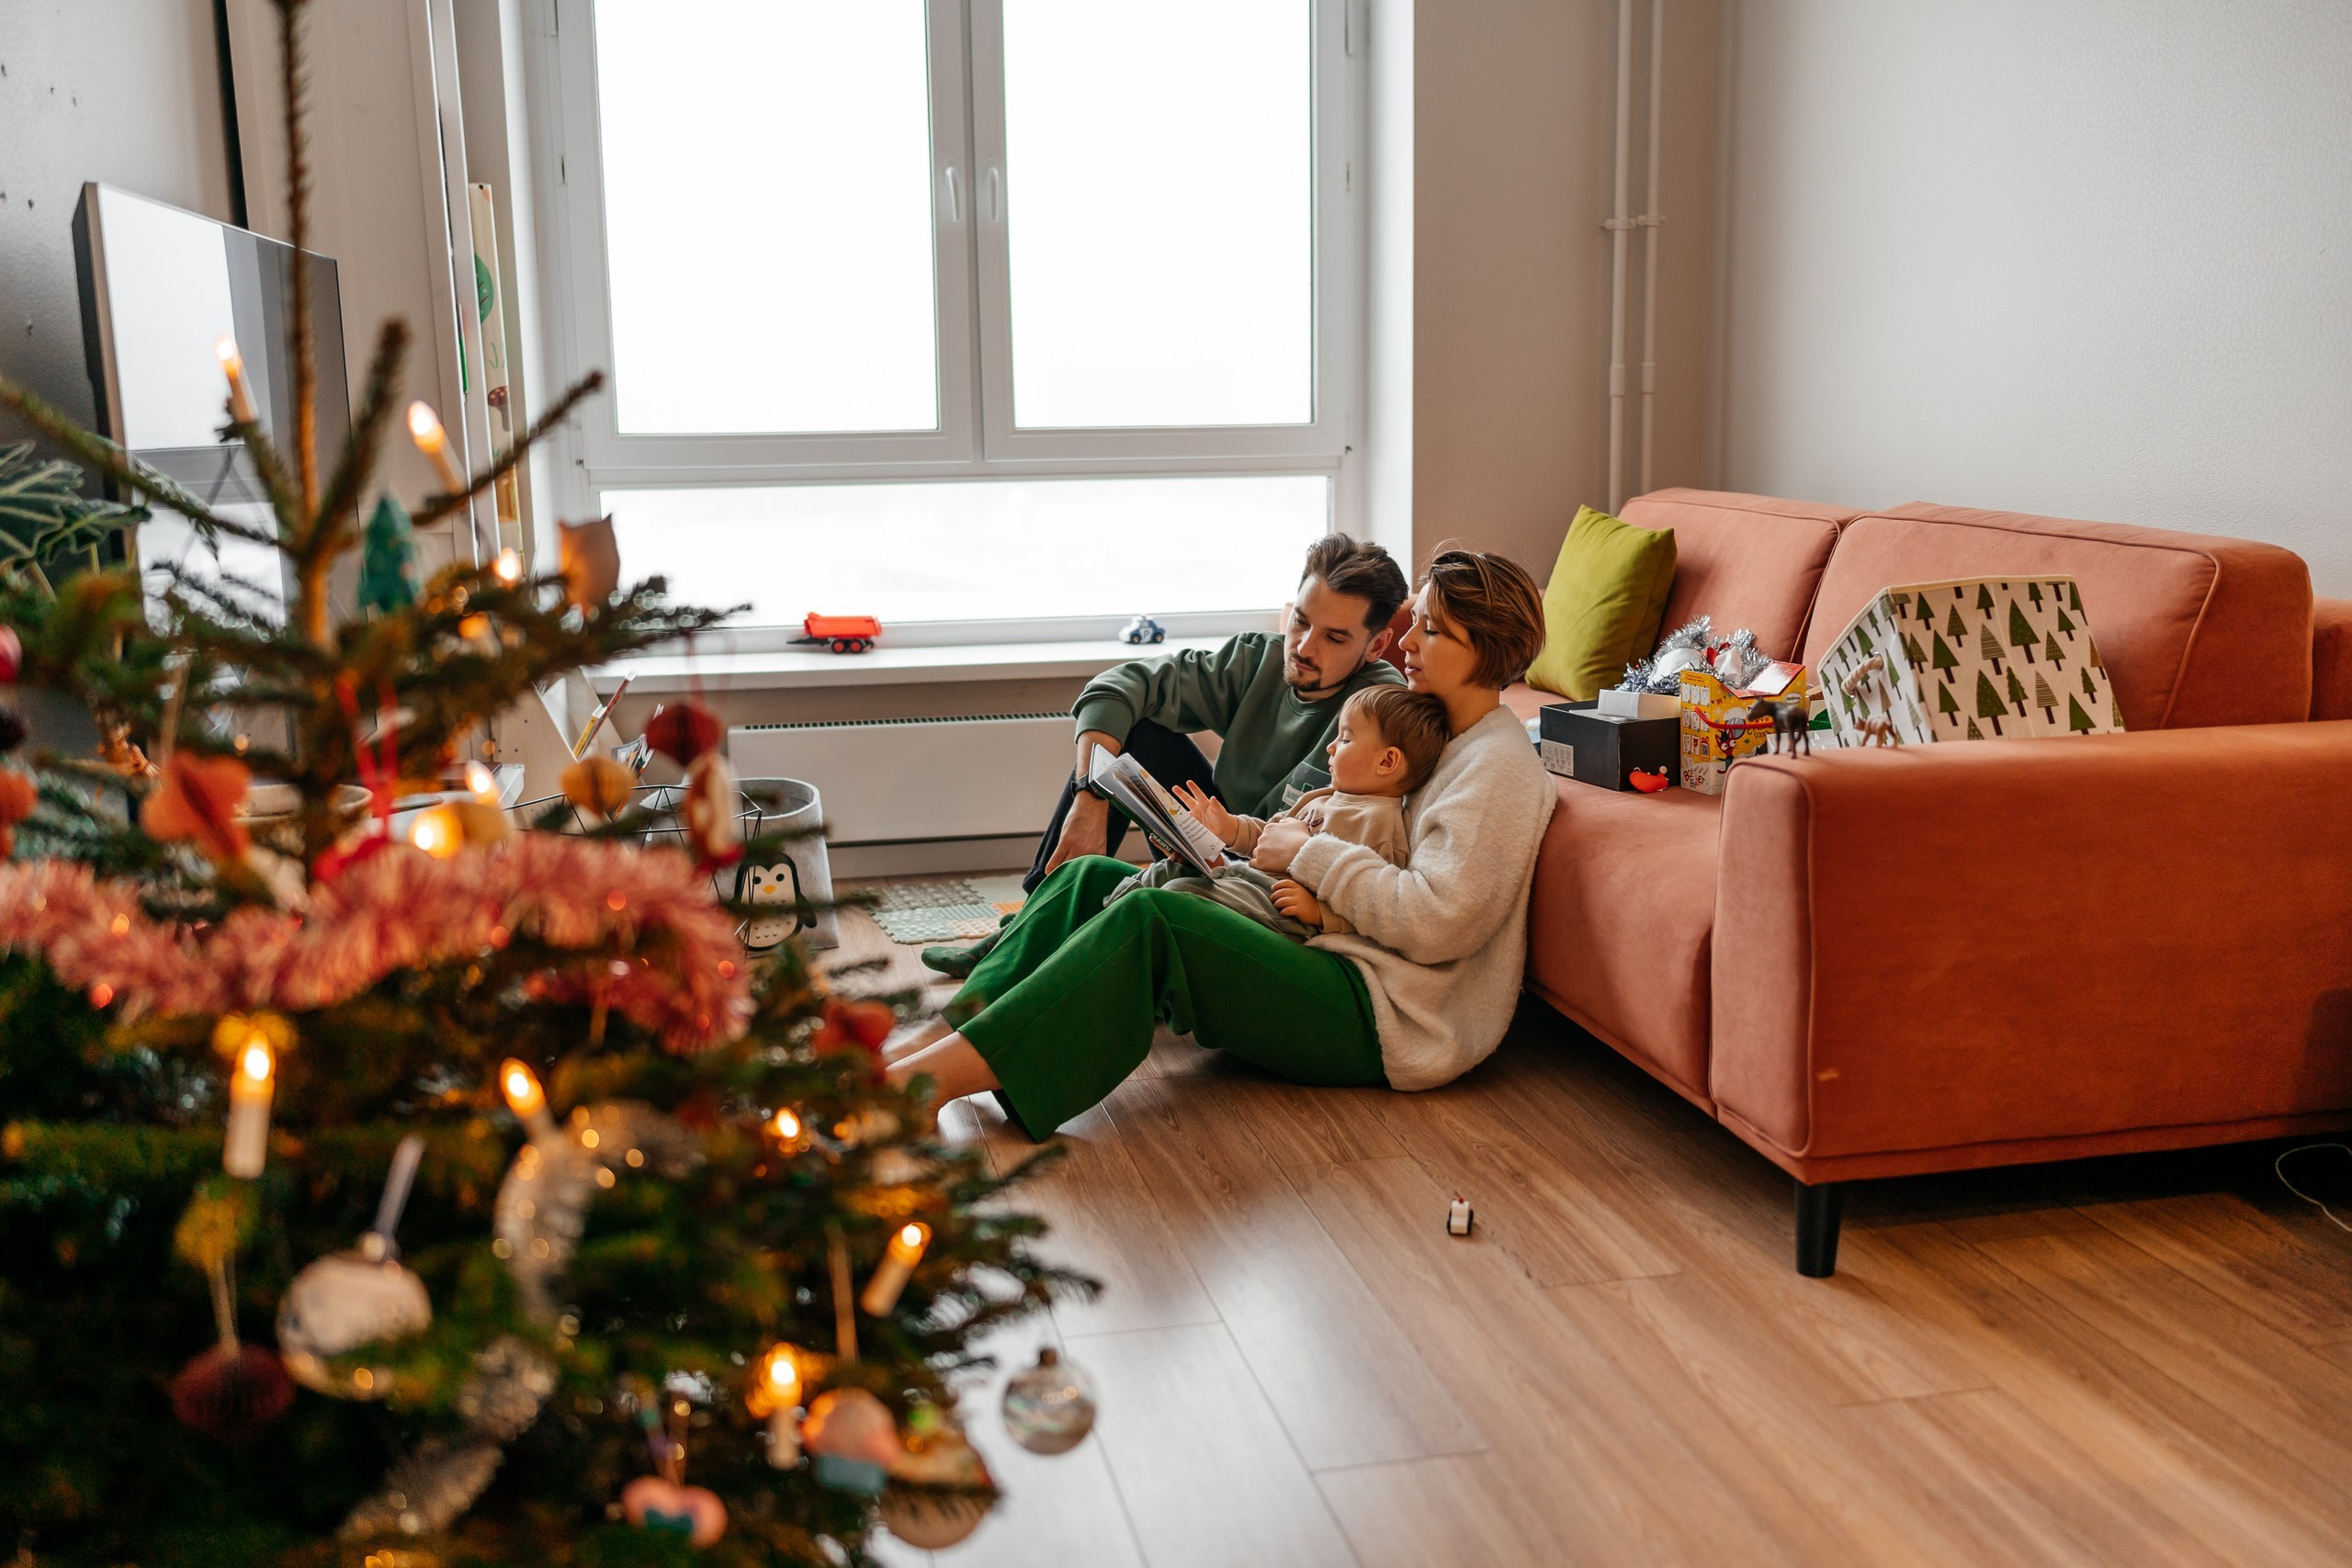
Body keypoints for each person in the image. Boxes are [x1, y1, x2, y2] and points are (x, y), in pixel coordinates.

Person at [888, 547, 1558, 1138]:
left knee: (1156, 917)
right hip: (1326, 947)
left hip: (1385, 1015)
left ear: (1487, 650)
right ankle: (937, 1042)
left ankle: (928, 1084)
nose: (1407, 640)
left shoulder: (1496, 768)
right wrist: (1251, 842)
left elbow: (1439, 920)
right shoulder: (1437, 735)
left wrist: (1301, 850)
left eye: (1432, 629)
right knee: (1090, 878)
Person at [920, 532, 1410, 976]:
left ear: (1377, 644)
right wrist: (1089, 796)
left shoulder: (1380, 709)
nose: (1304, 647)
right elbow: (1117, 687)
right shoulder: (1256, 658)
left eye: (1334, 637)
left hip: (1267, 884)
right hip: (1213, 835)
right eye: (1301, 622)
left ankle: (1095, 948)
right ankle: (1029, 923)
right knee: (1141, 728)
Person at [1102, 685, 1451, 941]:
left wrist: (1321, 913)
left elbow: (1375, 903)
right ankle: (1103, 922)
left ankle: (1118, 937)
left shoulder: (1380, 821)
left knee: (1182, 895)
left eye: (1345, 740)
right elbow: (1269, 836)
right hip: (1251, 881)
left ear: (1387, 762)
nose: (1331, 746)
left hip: (1283, 912)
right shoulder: (1324, 796)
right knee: (1166, 870)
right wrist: (1229, 828)